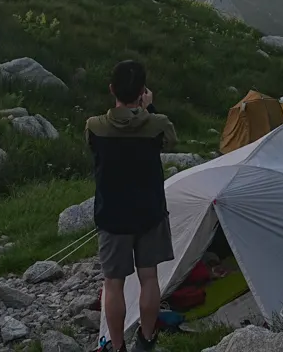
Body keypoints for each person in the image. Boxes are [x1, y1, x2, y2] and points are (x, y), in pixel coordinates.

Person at [87, 60, 178, 352]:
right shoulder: (157, 123)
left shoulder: (95, 126)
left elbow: (93, 149)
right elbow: (171, 143)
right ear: (142, 92)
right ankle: (147, 339)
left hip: (112, 216)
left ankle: (116, 347)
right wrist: (148, 110)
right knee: (148, 277)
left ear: (111, 89)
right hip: (149, 212)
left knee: (113, 284)